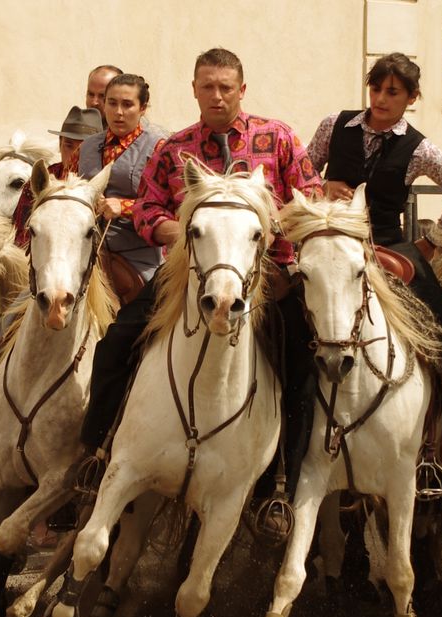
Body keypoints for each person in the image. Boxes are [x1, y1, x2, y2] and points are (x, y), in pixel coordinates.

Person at [81, 47, 322, 502]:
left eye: (225, 87)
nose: (216, 96)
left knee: (302, 363)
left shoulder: (279, 137)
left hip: (268, 275)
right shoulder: (174, 149)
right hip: (185, 276)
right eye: (207, 87)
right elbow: (147, 208)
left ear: (241, 90)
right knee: (116, 343)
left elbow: (311, 201)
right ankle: (94, 455)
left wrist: (267, 227)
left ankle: (282, 484)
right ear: (194, 89)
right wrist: (178, 230)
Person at [306, 52, 442, 476]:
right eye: (376, 89)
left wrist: (432, 241)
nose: (380, 98)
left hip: (388, 246)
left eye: (392, 92)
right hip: (331, 242)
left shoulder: (419, 147)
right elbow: (300, 170)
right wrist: (321, 185)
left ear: (411, 98)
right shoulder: (333, 124)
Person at [78, 73, 166, 285]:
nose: (118, 112)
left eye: (127, 105)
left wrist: (125, 207)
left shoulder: (159, 148)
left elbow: (169, 206)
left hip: (139, 257)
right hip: (84, 252)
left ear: (142, 108)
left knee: (153, 309)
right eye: (112, 103)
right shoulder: (87, 146)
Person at [12, 106, 102, 249]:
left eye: (84, 148)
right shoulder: (41, 180)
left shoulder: (105, 184)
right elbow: (21, 236)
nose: (75, 155)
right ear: (60, 144)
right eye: (69, 145)